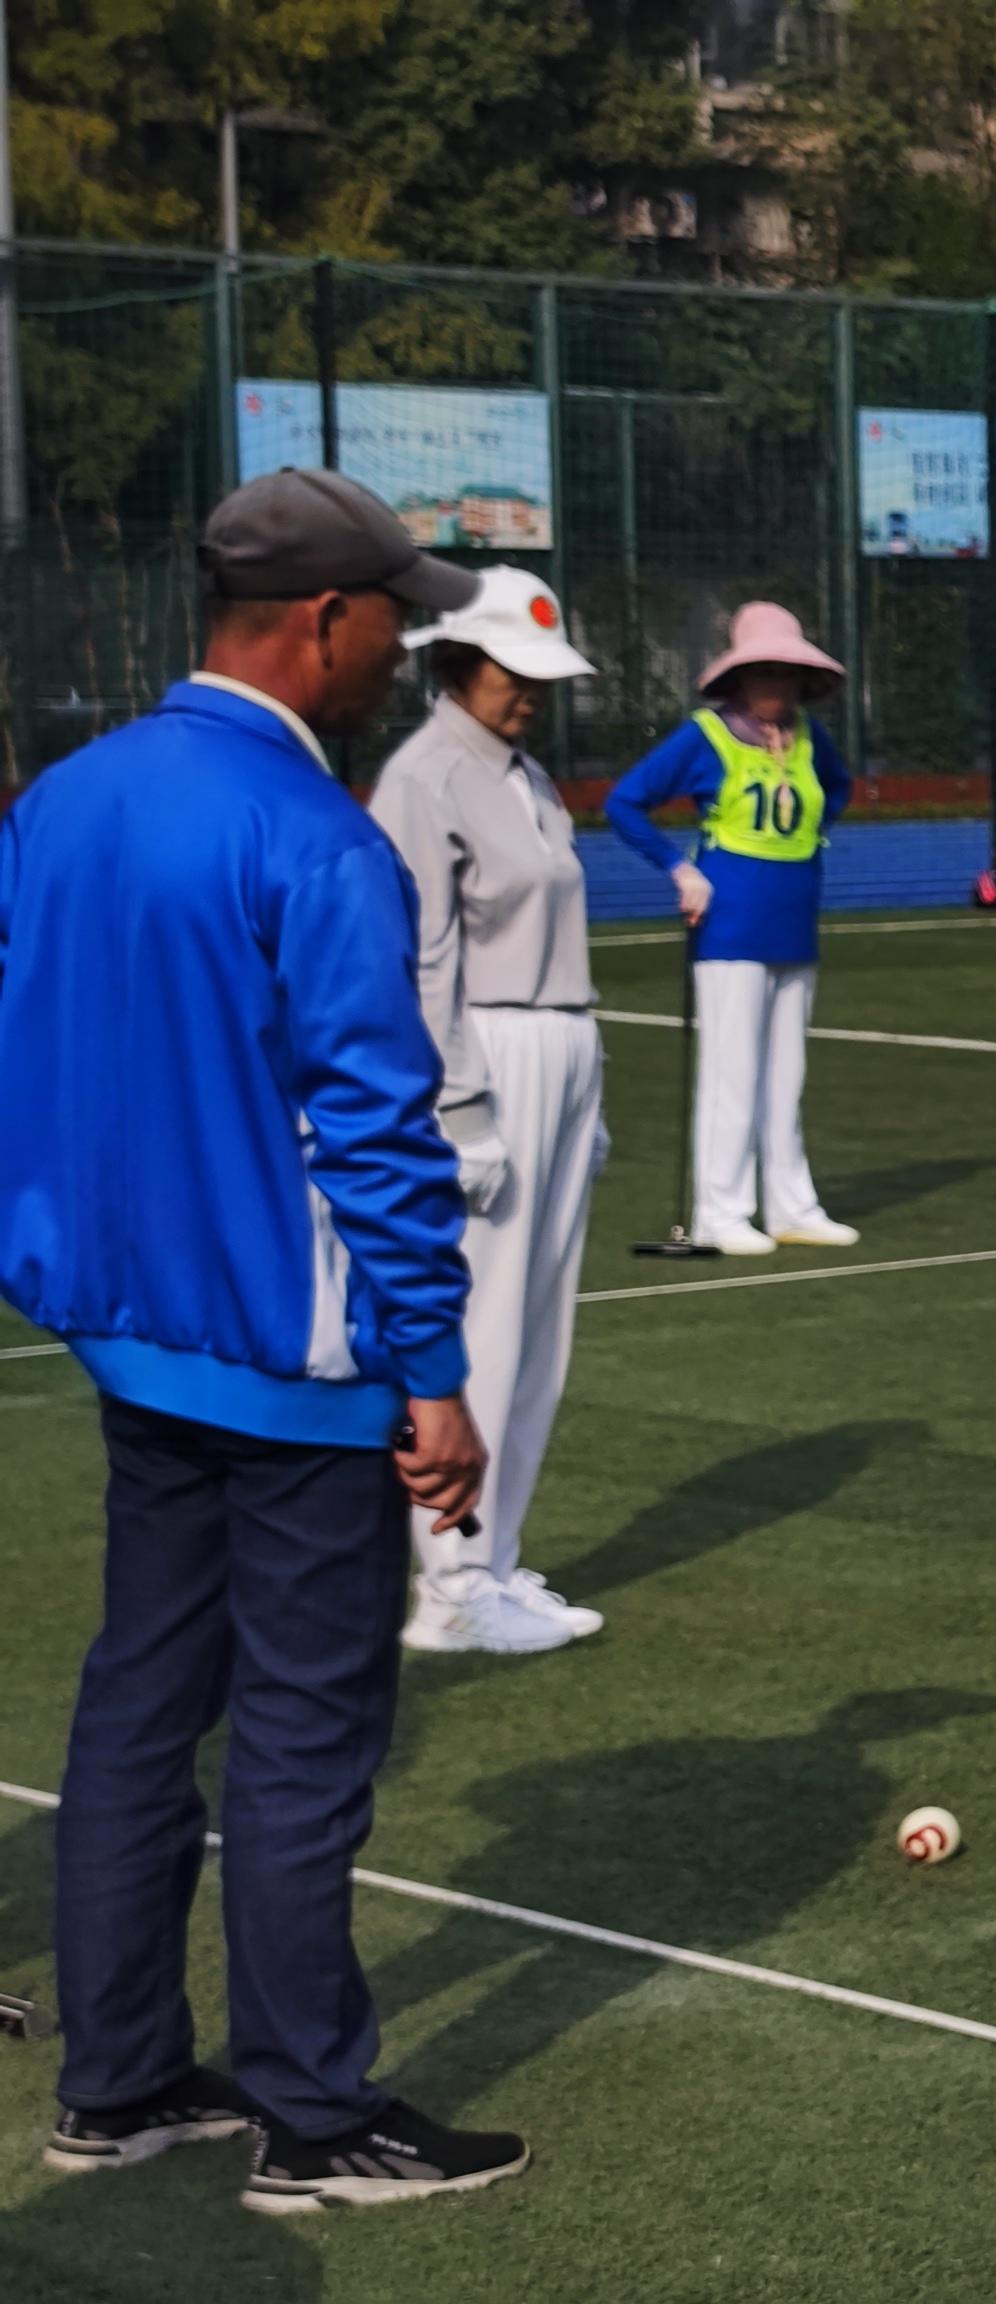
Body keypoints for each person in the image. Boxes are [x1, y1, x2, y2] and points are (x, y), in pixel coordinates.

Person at [0, 469, 527, 2206]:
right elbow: (374, 1128)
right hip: (292, 1362)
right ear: (324, 621)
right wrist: (433, 1373)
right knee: (305, 1732)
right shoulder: (315, 834)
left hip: (125, 1337)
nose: (402, 651)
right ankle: (314, 2112)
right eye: (392, 620)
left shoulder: (67, 797)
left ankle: (120, 2077)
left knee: (139, 1703)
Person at [368, 568, 612, 1657]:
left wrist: (589, 1092)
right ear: (462, 663)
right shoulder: (423, 778)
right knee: (486, 1325)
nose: (531, 694)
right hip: (490, 1050)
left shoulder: (527, 774)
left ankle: (496, 1562)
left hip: (561, 1043)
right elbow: (426, 958)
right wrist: (459, 1107)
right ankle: (452, 1583)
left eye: (539, 677)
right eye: (514, 674)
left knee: (542, 1331)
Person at [603, 603, 860, 1255]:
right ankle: (720, 1212)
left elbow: (836, 789)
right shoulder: (706, 737)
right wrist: (679, 869)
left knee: (786, 1074)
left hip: (795, 922)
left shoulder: (809, 738)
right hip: (730, 928)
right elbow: (624, 802)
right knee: (731, 1072)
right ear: (739, 678)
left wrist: (808, 839)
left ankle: (792, 1206)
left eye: (787, 673)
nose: (776, 686)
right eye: (764, 672)